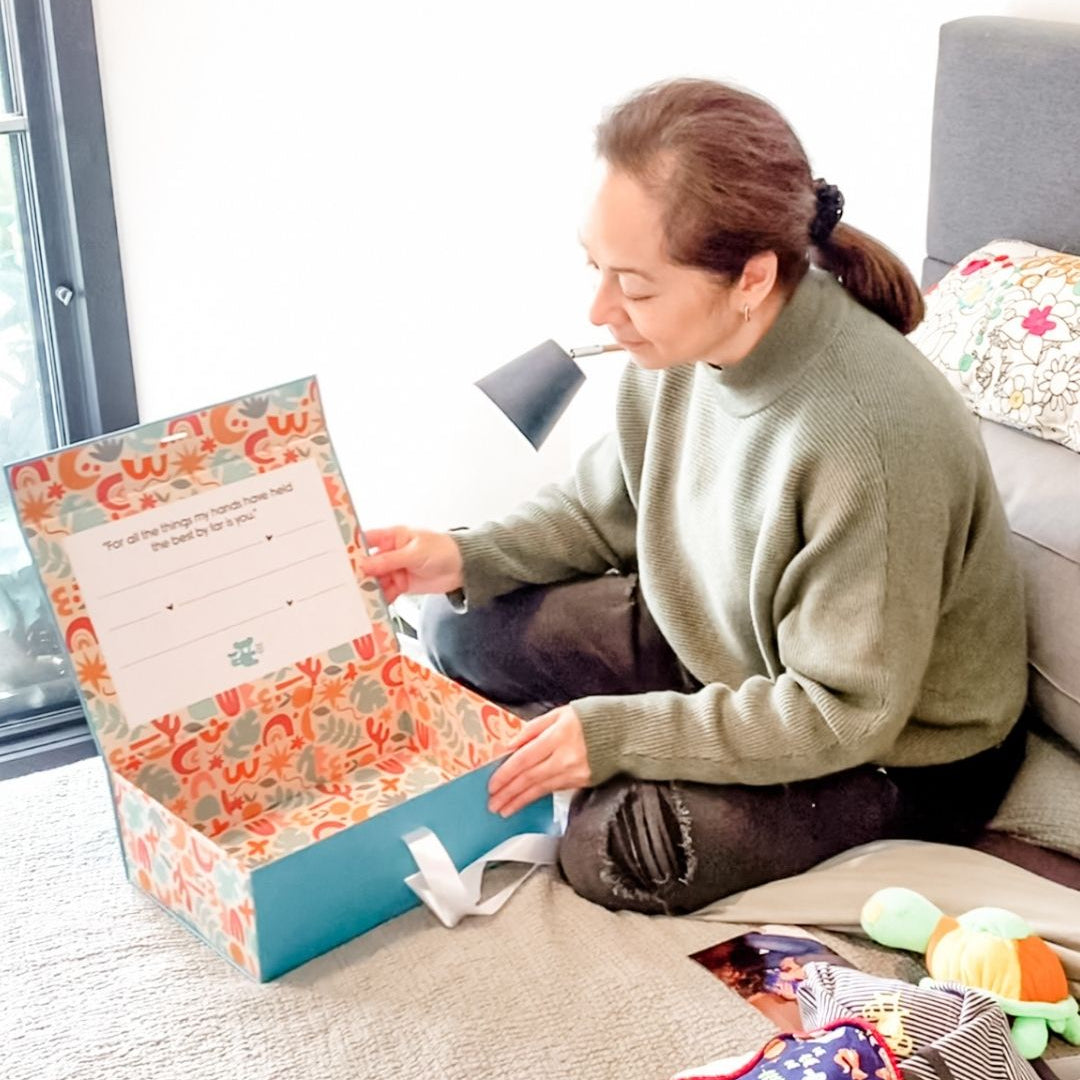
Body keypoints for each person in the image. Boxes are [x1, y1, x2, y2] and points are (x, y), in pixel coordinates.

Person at [358, 78, 1028, 916]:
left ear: (750, 277)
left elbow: (840, 712)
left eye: (633, 286)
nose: (601, 311)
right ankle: (684, 723)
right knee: (457, 619)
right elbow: (606, 508)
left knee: (613, 849)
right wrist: (465, 554)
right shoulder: (680, 348)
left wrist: (618, 736)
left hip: (892, 748)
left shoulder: (870, 442)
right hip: (728, 644)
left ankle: (686, 747)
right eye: (594, 268)